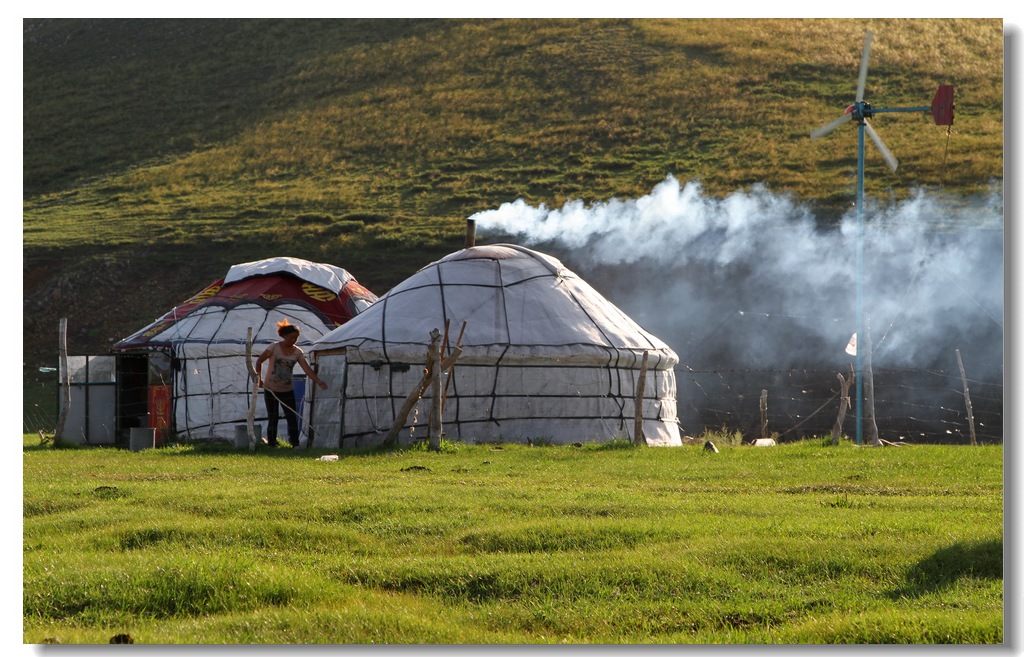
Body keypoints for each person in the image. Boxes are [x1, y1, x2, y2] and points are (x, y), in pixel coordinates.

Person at [254, 319, 327, 448]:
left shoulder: (297, 351)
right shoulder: (274, 347)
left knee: (291, 416)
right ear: (285, 336)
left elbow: (306, 368)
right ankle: (272, 443)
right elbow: (259, 361)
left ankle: (295, 444)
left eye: (296, 338)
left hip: (287, 388)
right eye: (292, 337)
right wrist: (259, 379)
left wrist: (318, 381)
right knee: (273, 416)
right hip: (271, 388)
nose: (293, 340)